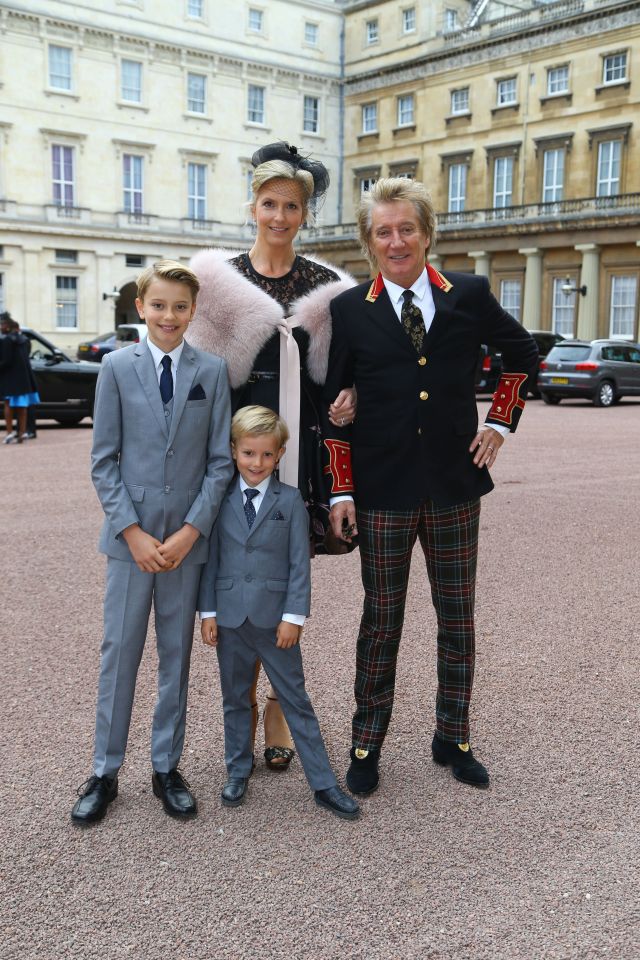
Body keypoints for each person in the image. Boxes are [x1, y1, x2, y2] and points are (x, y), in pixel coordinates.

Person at [322, 178, 539, 795]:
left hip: (453, 484)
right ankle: (367, 742)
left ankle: (454, 735)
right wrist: (341, 491)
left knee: (457, 618)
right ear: (370, 241)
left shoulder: (466, 294)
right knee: (381, 619)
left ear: (426, 233)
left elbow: (522, 355)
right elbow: (333, 407)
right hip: (382, 488)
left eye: (406, 229)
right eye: (383, 231)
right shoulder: (349, 308)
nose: (396, 241)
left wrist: (499, 423)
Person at [189, 141, 356, 773]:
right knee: (242, 570)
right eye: (269, 204)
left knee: (288, 571)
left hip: (304, 455)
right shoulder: (217, 283)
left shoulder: (331, 290)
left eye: (292, 206)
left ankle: (281, 706)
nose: (279, 216)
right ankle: (251, 698)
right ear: (252, 207)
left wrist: (351, 397)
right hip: (239, 454)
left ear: (305, 213)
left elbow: (344, 373)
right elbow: (203, 384)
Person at [71, 259, 233, 826]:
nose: (169, 315)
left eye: (180, 307)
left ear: (194, 312)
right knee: (119, 654)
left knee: (176, 654)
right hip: (130, 544)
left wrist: (191, 531)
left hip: (187, 543)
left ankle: (167, 765)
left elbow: (220, 463)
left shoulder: (211, 372)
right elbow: (103, 461)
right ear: (141, 308)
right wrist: (132, 532)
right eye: (159, 305)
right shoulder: (116, 368)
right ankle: (104, 770)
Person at [200, 405, 359, 821]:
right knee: (235, 699)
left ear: (281, 454)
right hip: (230, 619)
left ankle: (323, 783)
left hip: (276, 623)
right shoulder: (215, 499)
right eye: (249, 454)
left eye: (267, 455)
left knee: (296, 700)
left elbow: (297, 565)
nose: (257, 463)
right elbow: (210, 560)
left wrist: (295, 617)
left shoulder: (289, 502)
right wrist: (208, 612)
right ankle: (237, 769)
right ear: (234, 451)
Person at [0, 313, 40, 444]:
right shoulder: (24, 340)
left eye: (2, 324)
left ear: (8, 326)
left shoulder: (6, 340)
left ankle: (9, 432)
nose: (1, 326)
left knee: (8, 405)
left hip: (10, 378)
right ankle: (22, 433)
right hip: (24, 378)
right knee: (22, 407)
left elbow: (6, 361)